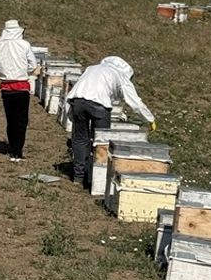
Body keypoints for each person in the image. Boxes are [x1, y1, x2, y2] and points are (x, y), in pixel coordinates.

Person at [65, 56, 155, 188]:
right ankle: (97, 180)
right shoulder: (120, 76)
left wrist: (71, 114)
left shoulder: (92, 68)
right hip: (99, 107)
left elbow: (77, 90)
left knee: (80, 139)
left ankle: (78, 177)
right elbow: (135, 102)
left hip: (77, 103)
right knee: (102, 143)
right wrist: (149, 118)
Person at [0, 20, 39, 162]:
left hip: (6, 87)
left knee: (10, 119)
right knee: (21, 120)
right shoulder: (24, 45)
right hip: (21, 87)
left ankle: (12, 148)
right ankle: (17, 151)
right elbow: (33, 65)